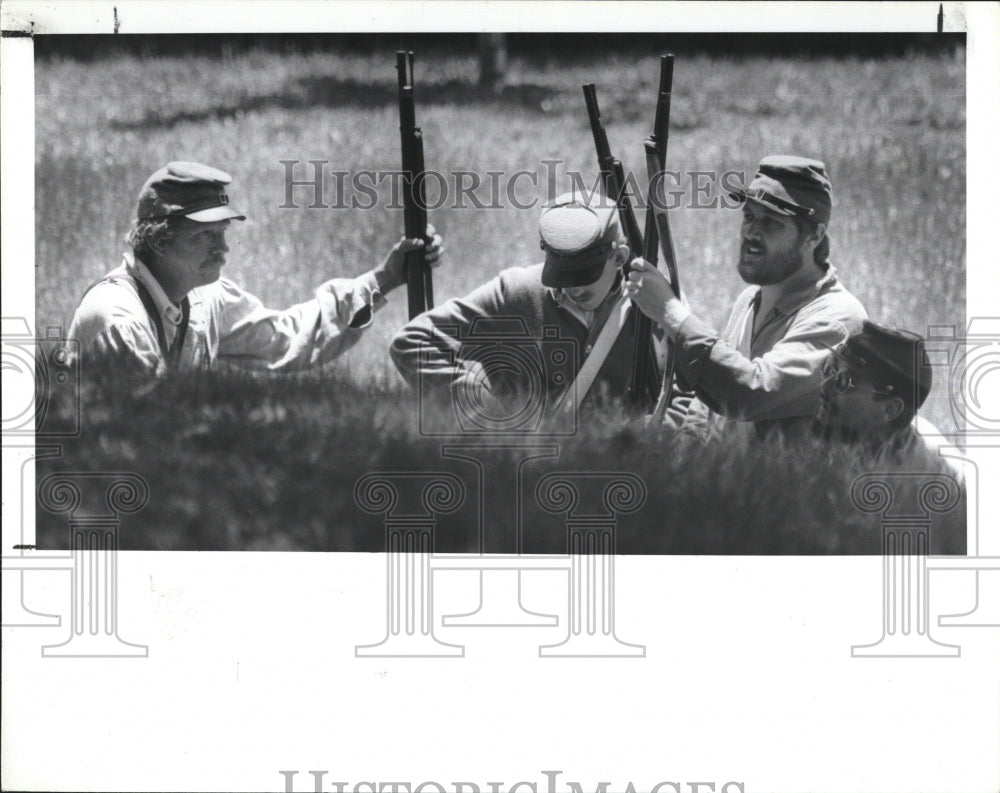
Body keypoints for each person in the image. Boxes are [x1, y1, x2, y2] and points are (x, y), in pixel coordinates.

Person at [67, 161, 443, 376]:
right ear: (160, 239)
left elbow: (286, 337)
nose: (224, 248)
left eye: (223, 232)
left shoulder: (201, 296)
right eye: (205, 236)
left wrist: (387, 277)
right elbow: (135, 437)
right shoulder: (119, 320)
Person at [626, 154, 868, 440]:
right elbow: (711, 409)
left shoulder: (838, 319)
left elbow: (751, 393)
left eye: (772, 222)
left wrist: (671, 313)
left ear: (814, 235)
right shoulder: (750, 300)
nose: (751, 231)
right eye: (750, 216)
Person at [390, 190, 676, 423]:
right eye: (564, 277)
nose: (573, 288)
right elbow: (413, 342)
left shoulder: (652, 305)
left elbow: (690, 390)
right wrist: (486, 410)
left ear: (618, 258)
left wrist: (664, 435)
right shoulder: (518, 292)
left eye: (584, 276)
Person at [814, 321, 963, 477]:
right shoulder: (826, 430)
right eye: (830, 368)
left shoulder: (924, 479)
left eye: (843, 380)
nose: (825, 385)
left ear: (889, 409)